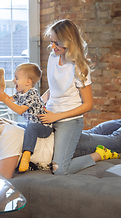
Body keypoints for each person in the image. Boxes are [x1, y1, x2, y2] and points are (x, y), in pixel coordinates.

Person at [38, 19, 96, 175]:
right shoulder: (52, 58)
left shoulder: (79, 67)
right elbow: (55, 89)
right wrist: (38, 103)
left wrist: (56, 117)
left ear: (68, 41)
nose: (52, 46)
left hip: (69, 120)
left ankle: (98, 155)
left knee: (60, 170)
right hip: (49, 115)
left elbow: (88, 104)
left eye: (57, 43)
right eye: (51, 42)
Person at [0, 63, 53, 173]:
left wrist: (5, 100)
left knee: (31, 128)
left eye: (17, 78)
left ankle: (26, 155)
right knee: (17, 127)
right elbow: (10, 99)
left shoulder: (32, 93)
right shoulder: (20, 93)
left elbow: (20, 110)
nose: (14, 80)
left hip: (44, 127)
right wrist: (1, 93)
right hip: (32, 124)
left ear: (28, 82)